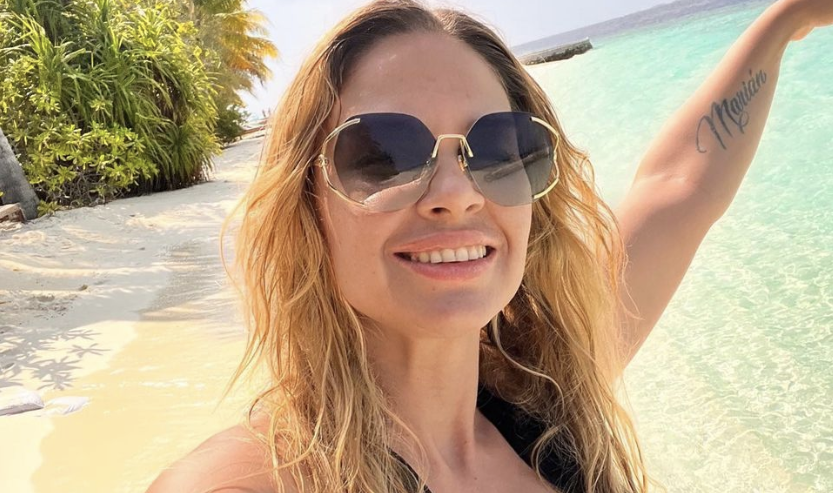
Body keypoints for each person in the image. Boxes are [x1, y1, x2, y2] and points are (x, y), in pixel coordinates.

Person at [146, 0, 832, 492]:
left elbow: (679, 186)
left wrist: (786, 20)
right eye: (383, 155)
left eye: (500, 148)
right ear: (306, 204)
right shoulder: (253, 478)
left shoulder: (547, 405)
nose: (457, 192)